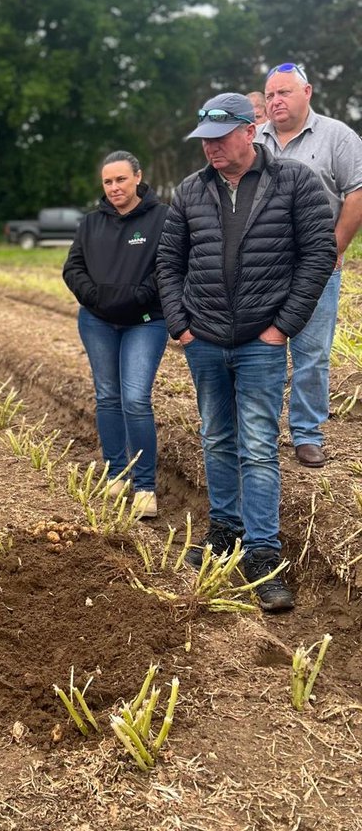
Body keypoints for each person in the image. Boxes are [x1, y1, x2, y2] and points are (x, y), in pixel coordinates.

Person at [156, 93, 336, 612]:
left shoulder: (294, 182)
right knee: (215, 436)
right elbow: (169, 262)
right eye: (204, 141)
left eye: (218, 139)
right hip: (204, 340)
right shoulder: (191, 190)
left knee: (258, 445)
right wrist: (181, 327)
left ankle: (262, 554)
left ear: (248, 132)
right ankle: (225, 532)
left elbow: (319, 254)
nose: (209, 149)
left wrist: (283, 327)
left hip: (262, 341)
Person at [259, 61, 362, 467]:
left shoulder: (338, 136)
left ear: (308, 92)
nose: (275, 101)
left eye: (283, 92)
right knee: (261, 347)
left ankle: (306, 433)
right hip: (263, 265)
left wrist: (332, 250)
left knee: (312, 352)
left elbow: (356, 195)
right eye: (269, 95)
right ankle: (262, 430)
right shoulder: (256, 141)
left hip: (315, 264)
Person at [63, 151, 169, 519]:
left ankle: (144, 487)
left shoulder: (162, 219)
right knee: (107, 396)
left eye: (121, 179)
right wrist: (95, 298)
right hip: (97, 322)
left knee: (136, 399)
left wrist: (133, 298)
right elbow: (73, 267)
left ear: (138, 177)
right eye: (108, 182)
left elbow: (168, 269)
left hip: (146, 321)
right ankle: (115, 473)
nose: (114, 188)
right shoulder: (91, 223)